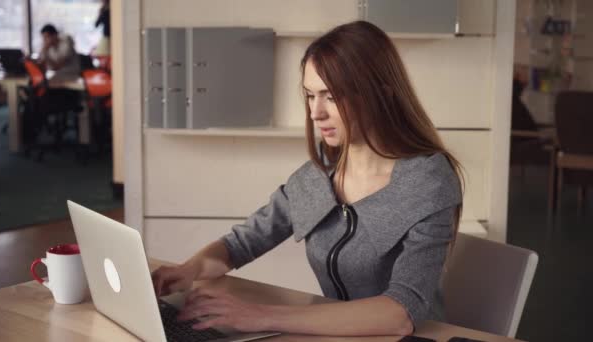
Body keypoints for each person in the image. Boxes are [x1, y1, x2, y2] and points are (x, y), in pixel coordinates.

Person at [152, 21, 463, 337]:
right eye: (310, 95)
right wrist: (188, 270)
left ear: (380, 94)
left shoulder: (428, 183)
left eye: (331, 96)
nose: (316, 113)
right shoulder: (318, 176)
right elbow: (241, 243)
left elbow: (402, 312)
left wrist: (261, 316)